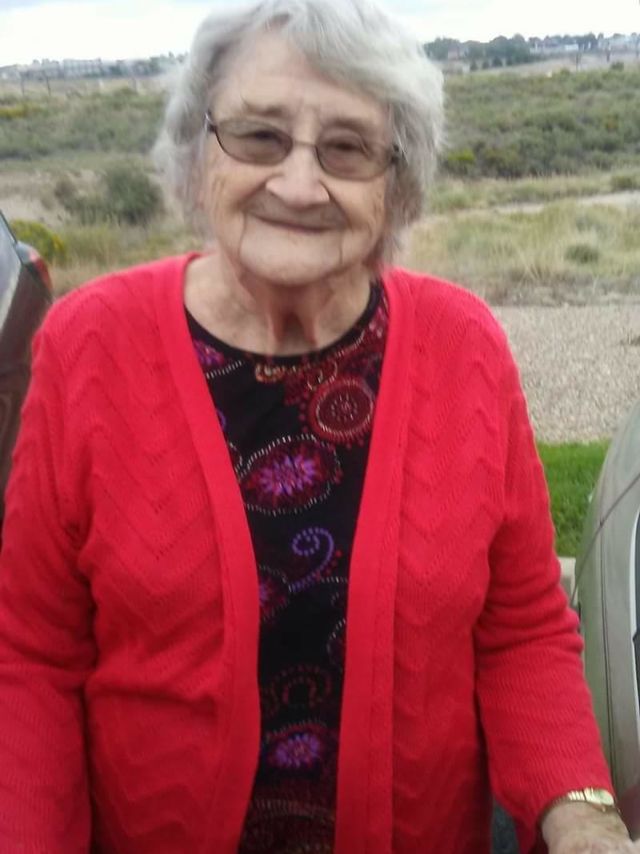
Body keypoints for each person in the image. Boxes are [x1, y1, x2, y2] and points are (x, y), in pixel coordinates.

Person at [0, 1, 636, 852]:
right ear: (198, 150)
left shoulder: (465, 345)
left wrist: (581, 813)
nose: (299, 185)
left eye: (347, 147)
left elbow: (521, 627)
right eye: (259, 136)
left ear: (394, 184)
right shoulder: (89, 344)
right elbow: (33, 656)